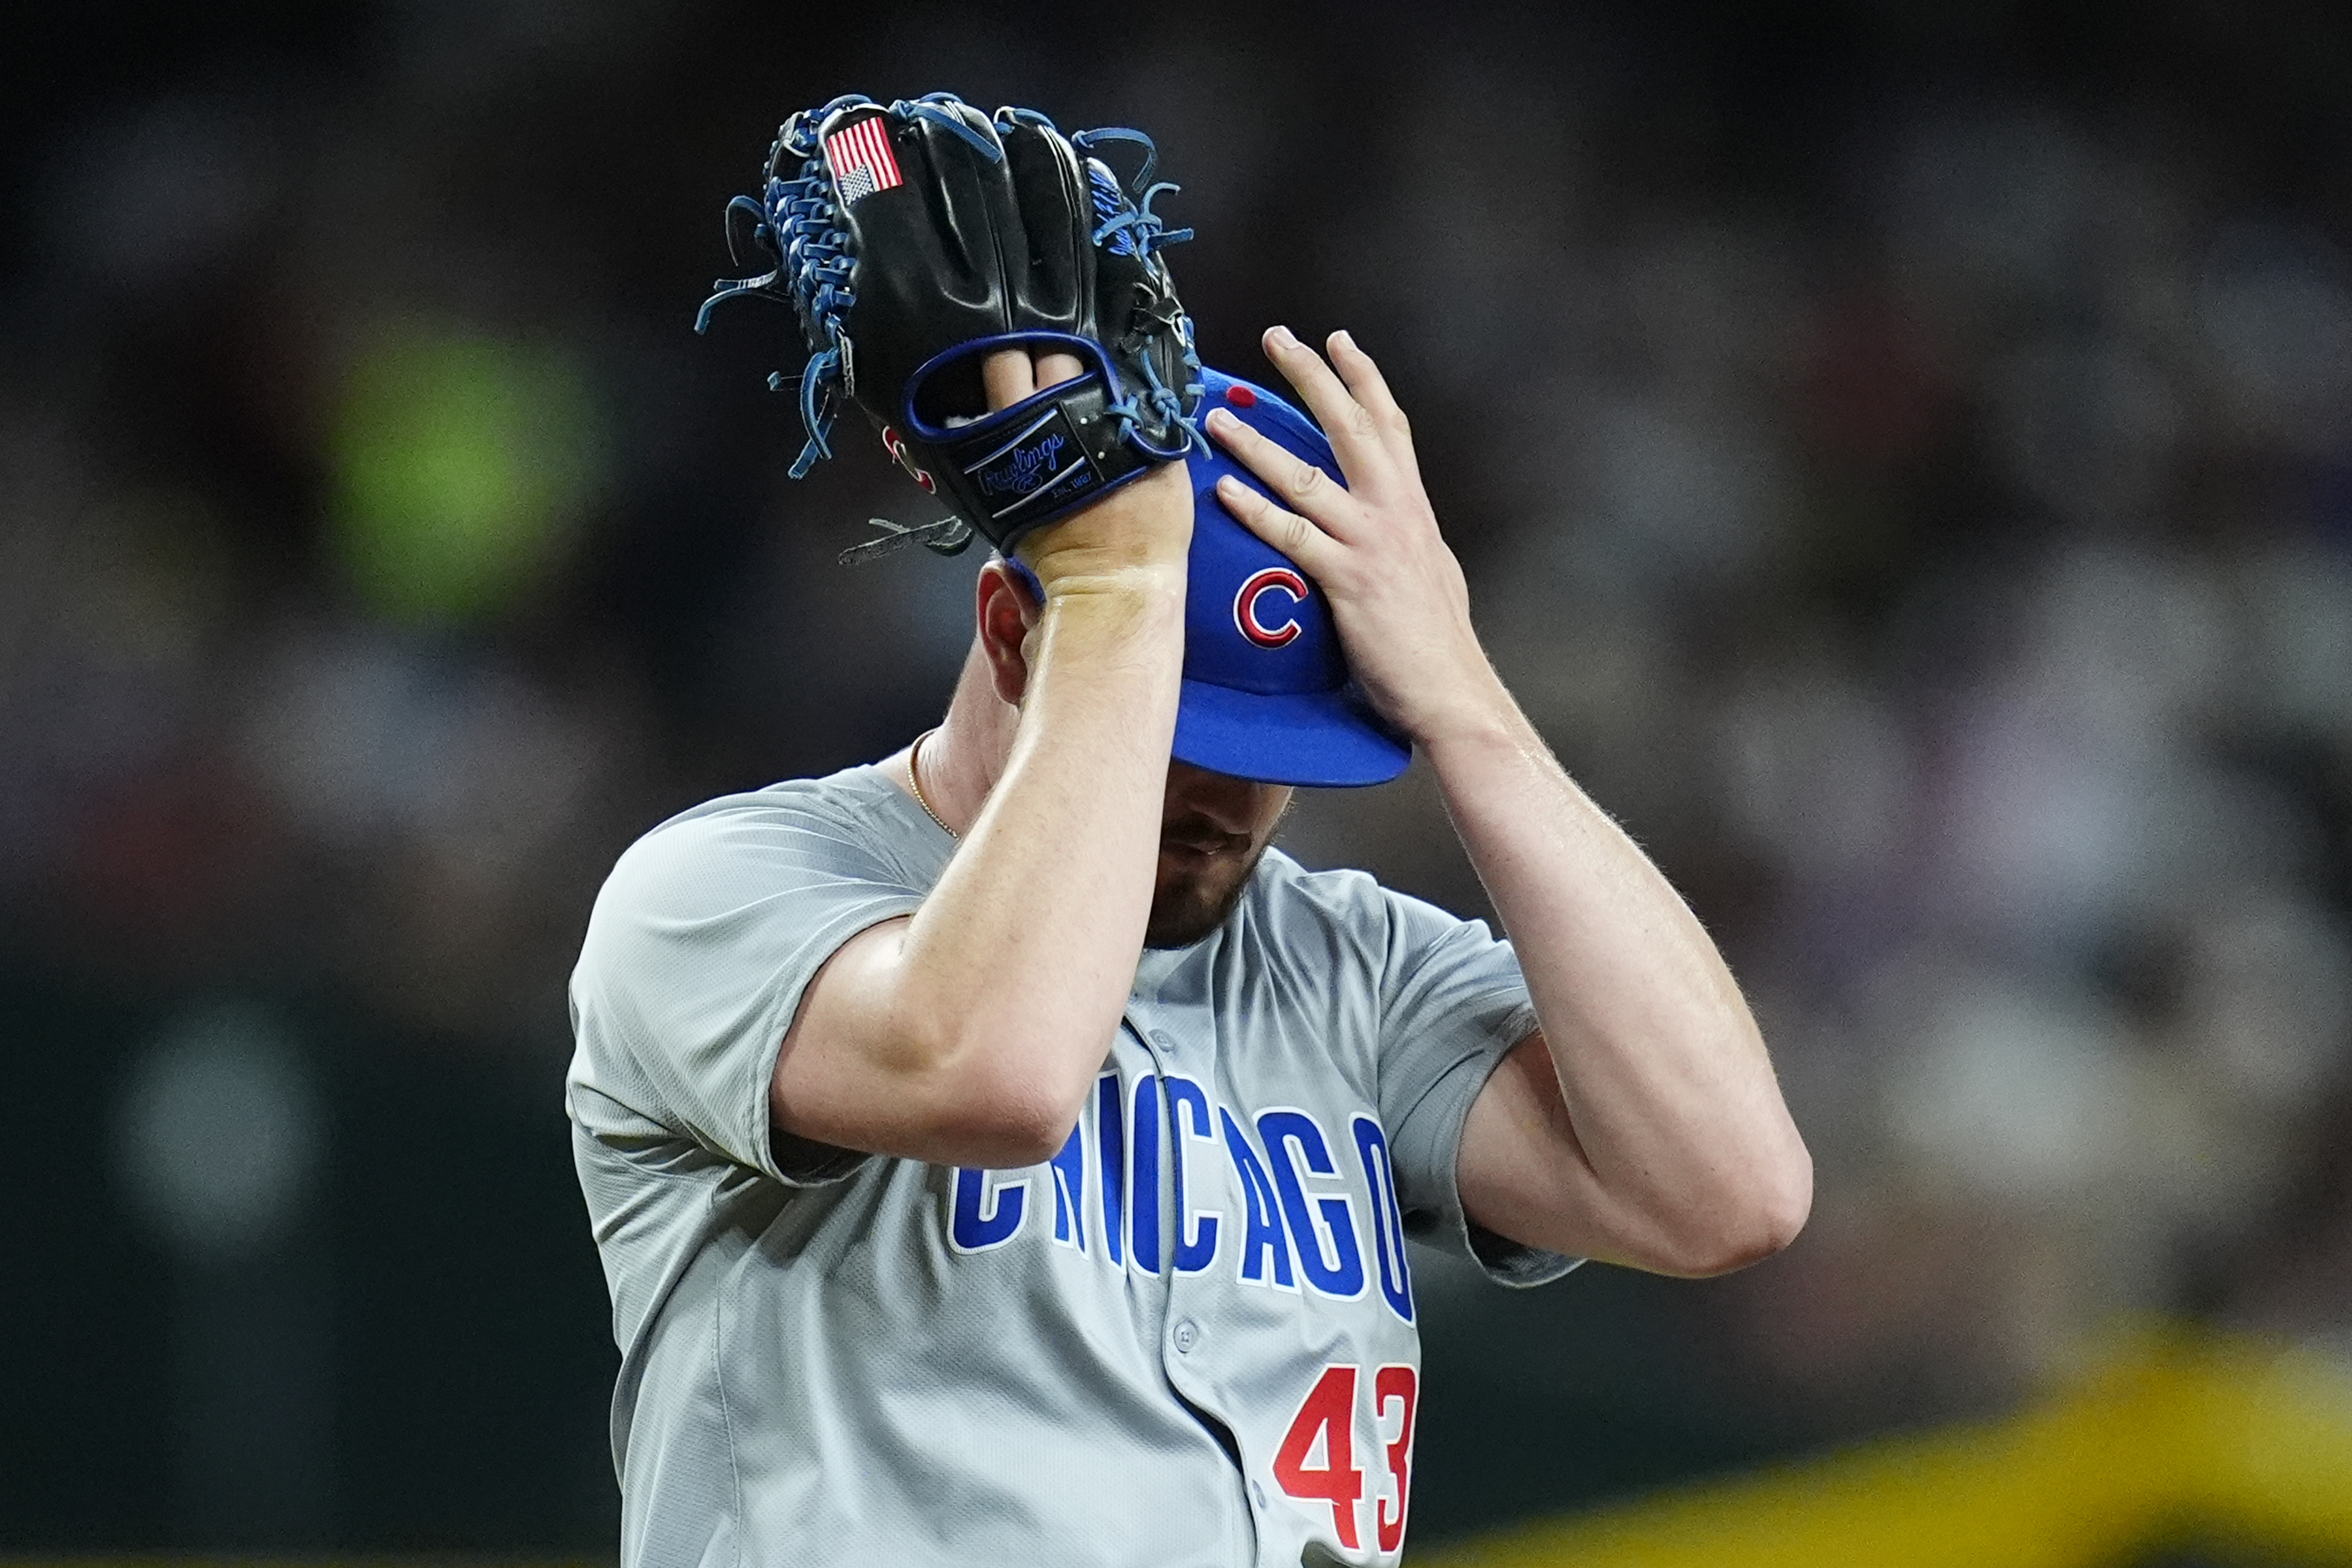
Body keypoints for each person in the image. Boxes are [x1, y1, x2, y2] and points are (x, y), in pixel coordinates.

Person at [565, 329, 1812, 1566]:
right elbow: (993, 1073)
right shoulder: (725, 891)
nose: (1226, 799)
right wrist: (1115, 598)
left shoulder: (1351, 970)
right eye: (1178, 720)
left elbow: (1727, 1191)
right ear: (1011, 636)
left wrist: (1468, 705)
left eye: (1277, 750)